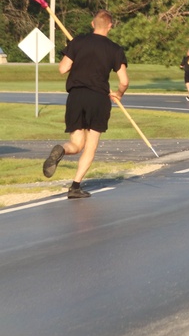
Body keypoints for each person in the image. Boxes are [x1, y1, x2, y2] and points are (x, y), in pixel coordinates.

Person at [42, 10, 129, 199]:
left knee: (76, 143)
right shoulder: (115, 49)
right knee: (90, 146)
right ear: (110, 26)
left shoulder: (78, 42)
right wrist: (119, 94)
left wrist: (77, 56)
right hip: (98, 98)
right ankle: (75, 186)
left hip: (76, 96)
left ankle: (62, 150)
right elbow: (123, 81)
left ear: (92, 24)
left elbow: (63, 68)